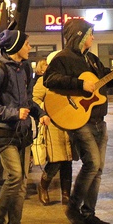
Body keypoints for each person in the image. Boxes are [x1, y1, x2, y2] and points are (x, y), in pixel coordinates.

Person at [43, 19, 113, 224]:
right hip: (79, 120)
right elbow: (49, 79)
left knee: (99, 168)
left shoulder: (92, 60)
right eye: (90, 34)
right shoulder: (63, 58)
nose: (93, 38)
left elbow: (107, 80)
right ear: (80, 36)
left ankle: (89, 213)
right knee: (92, 164)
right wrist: (79, 84)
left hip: (97, 119)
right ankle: (73, 207)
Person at [0, 29, 48, 224]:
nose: (30, 47)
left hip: (22, 133)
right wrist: (13, 113)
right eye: (27, 43)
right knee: (15, 176)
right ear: (16, 47)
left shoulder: (24, 69)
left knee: (21, 185)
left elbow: (27, 100)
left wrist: (40, 114)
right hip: (3, 134)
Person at [33, 51, 74, 206]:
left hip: (70, 123)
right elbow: (35, 100)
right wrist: (44, 110)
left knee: (68, 160)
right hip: (52, 125)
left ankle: (66, 194)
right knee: (56, 160)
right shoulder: (43, 81)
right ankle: (43, 186)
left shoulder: (69, 80)